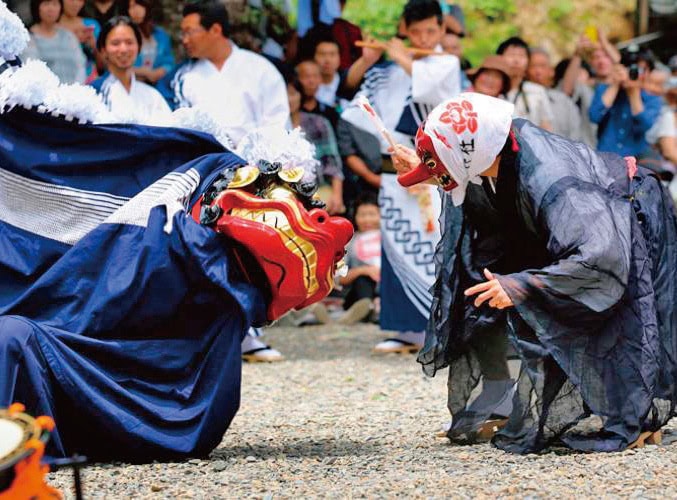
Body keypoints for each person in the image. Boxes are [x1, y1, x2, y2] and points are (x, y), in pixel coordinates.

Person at [389, 92, 677, 453]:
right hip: (565, 225)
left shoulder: (550, 175)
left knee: (621, 311)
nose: (440, 172)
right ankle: (501, 399)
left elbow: (602, 254)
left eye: (443, 162)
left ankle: (636, 416)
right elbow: (471, 173)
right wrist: (430, 168)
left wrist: (524, 283)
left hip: (621, 221)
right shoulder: (492, 149)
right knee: (477, 276)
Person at [341, 0, 460, 353]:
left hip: (431, 171)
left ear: (441, 30)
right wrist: (368, 59)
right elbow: (350, 90)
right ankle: (404, 329)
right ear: (405, 29)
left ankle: (439, 329)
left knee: (433, 245)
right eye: (417, 31)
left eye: (431, 31)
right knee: (395, 247)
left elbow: (433, 94)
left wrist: (401, 56)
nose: (424, 37)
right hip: (393, 173)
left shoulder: (446, 63)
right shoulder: (391, 68)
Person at [158, 1, 289, 147]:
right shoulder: (178, 79)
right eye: (183, 33)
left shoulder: (261, 70)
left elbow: (278, 125)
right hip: (203, 162)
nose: (184, 40)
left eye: (189, 32)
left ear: (215, 30)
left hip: (255, 163)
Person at [90, 16, 171, 123]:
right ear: (103, 50)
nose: (123, 49)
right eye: (115, 43)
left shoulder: (153, 96)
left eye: (129, 42)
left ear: (139, 47)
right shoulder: (93, 93)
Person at [589, 47, 662, 157]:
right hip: (605, 157)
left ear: (648, 73)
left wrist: (633, 93)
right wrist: (615, 84)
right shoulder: (604, 89)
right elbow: (594, 116)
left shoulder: (652, 98)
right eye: (630, 68)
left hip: (637, 159)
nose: (634, 73)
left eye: (640, 70)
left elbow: (645, 125)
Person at [288, 80, 345, 214]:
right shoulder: (271, 126)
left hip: (318, 189)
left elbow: (333, 163)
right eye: (283, 94)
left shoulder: (318, 122)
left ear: (300, 95)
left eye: (292, 93)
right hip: (284, 193)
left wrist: (337, 195)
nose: (288, 99)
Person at [337, 193, 381, 325]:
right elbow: (340, 278)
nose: (367, 220)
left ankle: (375, 309)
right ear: (355, 217)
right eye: (362, 215)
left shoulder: (391, 238)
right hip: (361, 290)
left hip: (387, 287)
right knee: (363, 280)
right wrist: (363, 271)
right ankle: (367, 308)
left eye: (372, 214)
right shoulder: (349, 243)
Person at [22, 0, 87, 83]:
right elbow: (32, 69)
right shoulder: (29, 38)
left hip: (72, 92)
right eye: (46, 4)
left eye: (55, 4)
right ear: (37, 7)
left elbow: (80, 65)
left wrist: (77, 88)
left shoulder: (68, 36)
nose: (51, 9)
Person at [496, 36, 553, 131]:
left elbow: (547, 128)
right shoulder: (492, 91)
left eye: (521, 56)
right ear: (499, 58)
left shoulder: (537, 91)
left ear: (528, 62)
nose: (516, 60)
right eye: (511, 55)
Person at [527, 47, 582, 141]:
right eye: (533, 66)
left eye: (542, 66)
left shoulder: (564, 101)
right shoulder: (520, 100)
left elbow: (576, 136)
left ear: (551, 71)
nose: (538, 71)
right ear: (525, 71)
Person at [127, 0, 174, 85]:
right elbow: (115, 65)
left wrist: (158, 72)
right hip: (131, 85)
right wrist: (143, 72)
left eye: (138, 5)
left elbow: (169, 62)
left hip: (157, 87)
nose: (135, 11)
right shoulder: (125, 34)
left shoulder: (160, 35)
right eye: (131, 7)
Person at [58, 0, 100, 82]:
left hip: (89, 81)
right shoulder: (51, 28)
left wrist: (94, 45)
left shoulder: (91, 25)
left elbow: (105, 64)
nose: (75, 3)